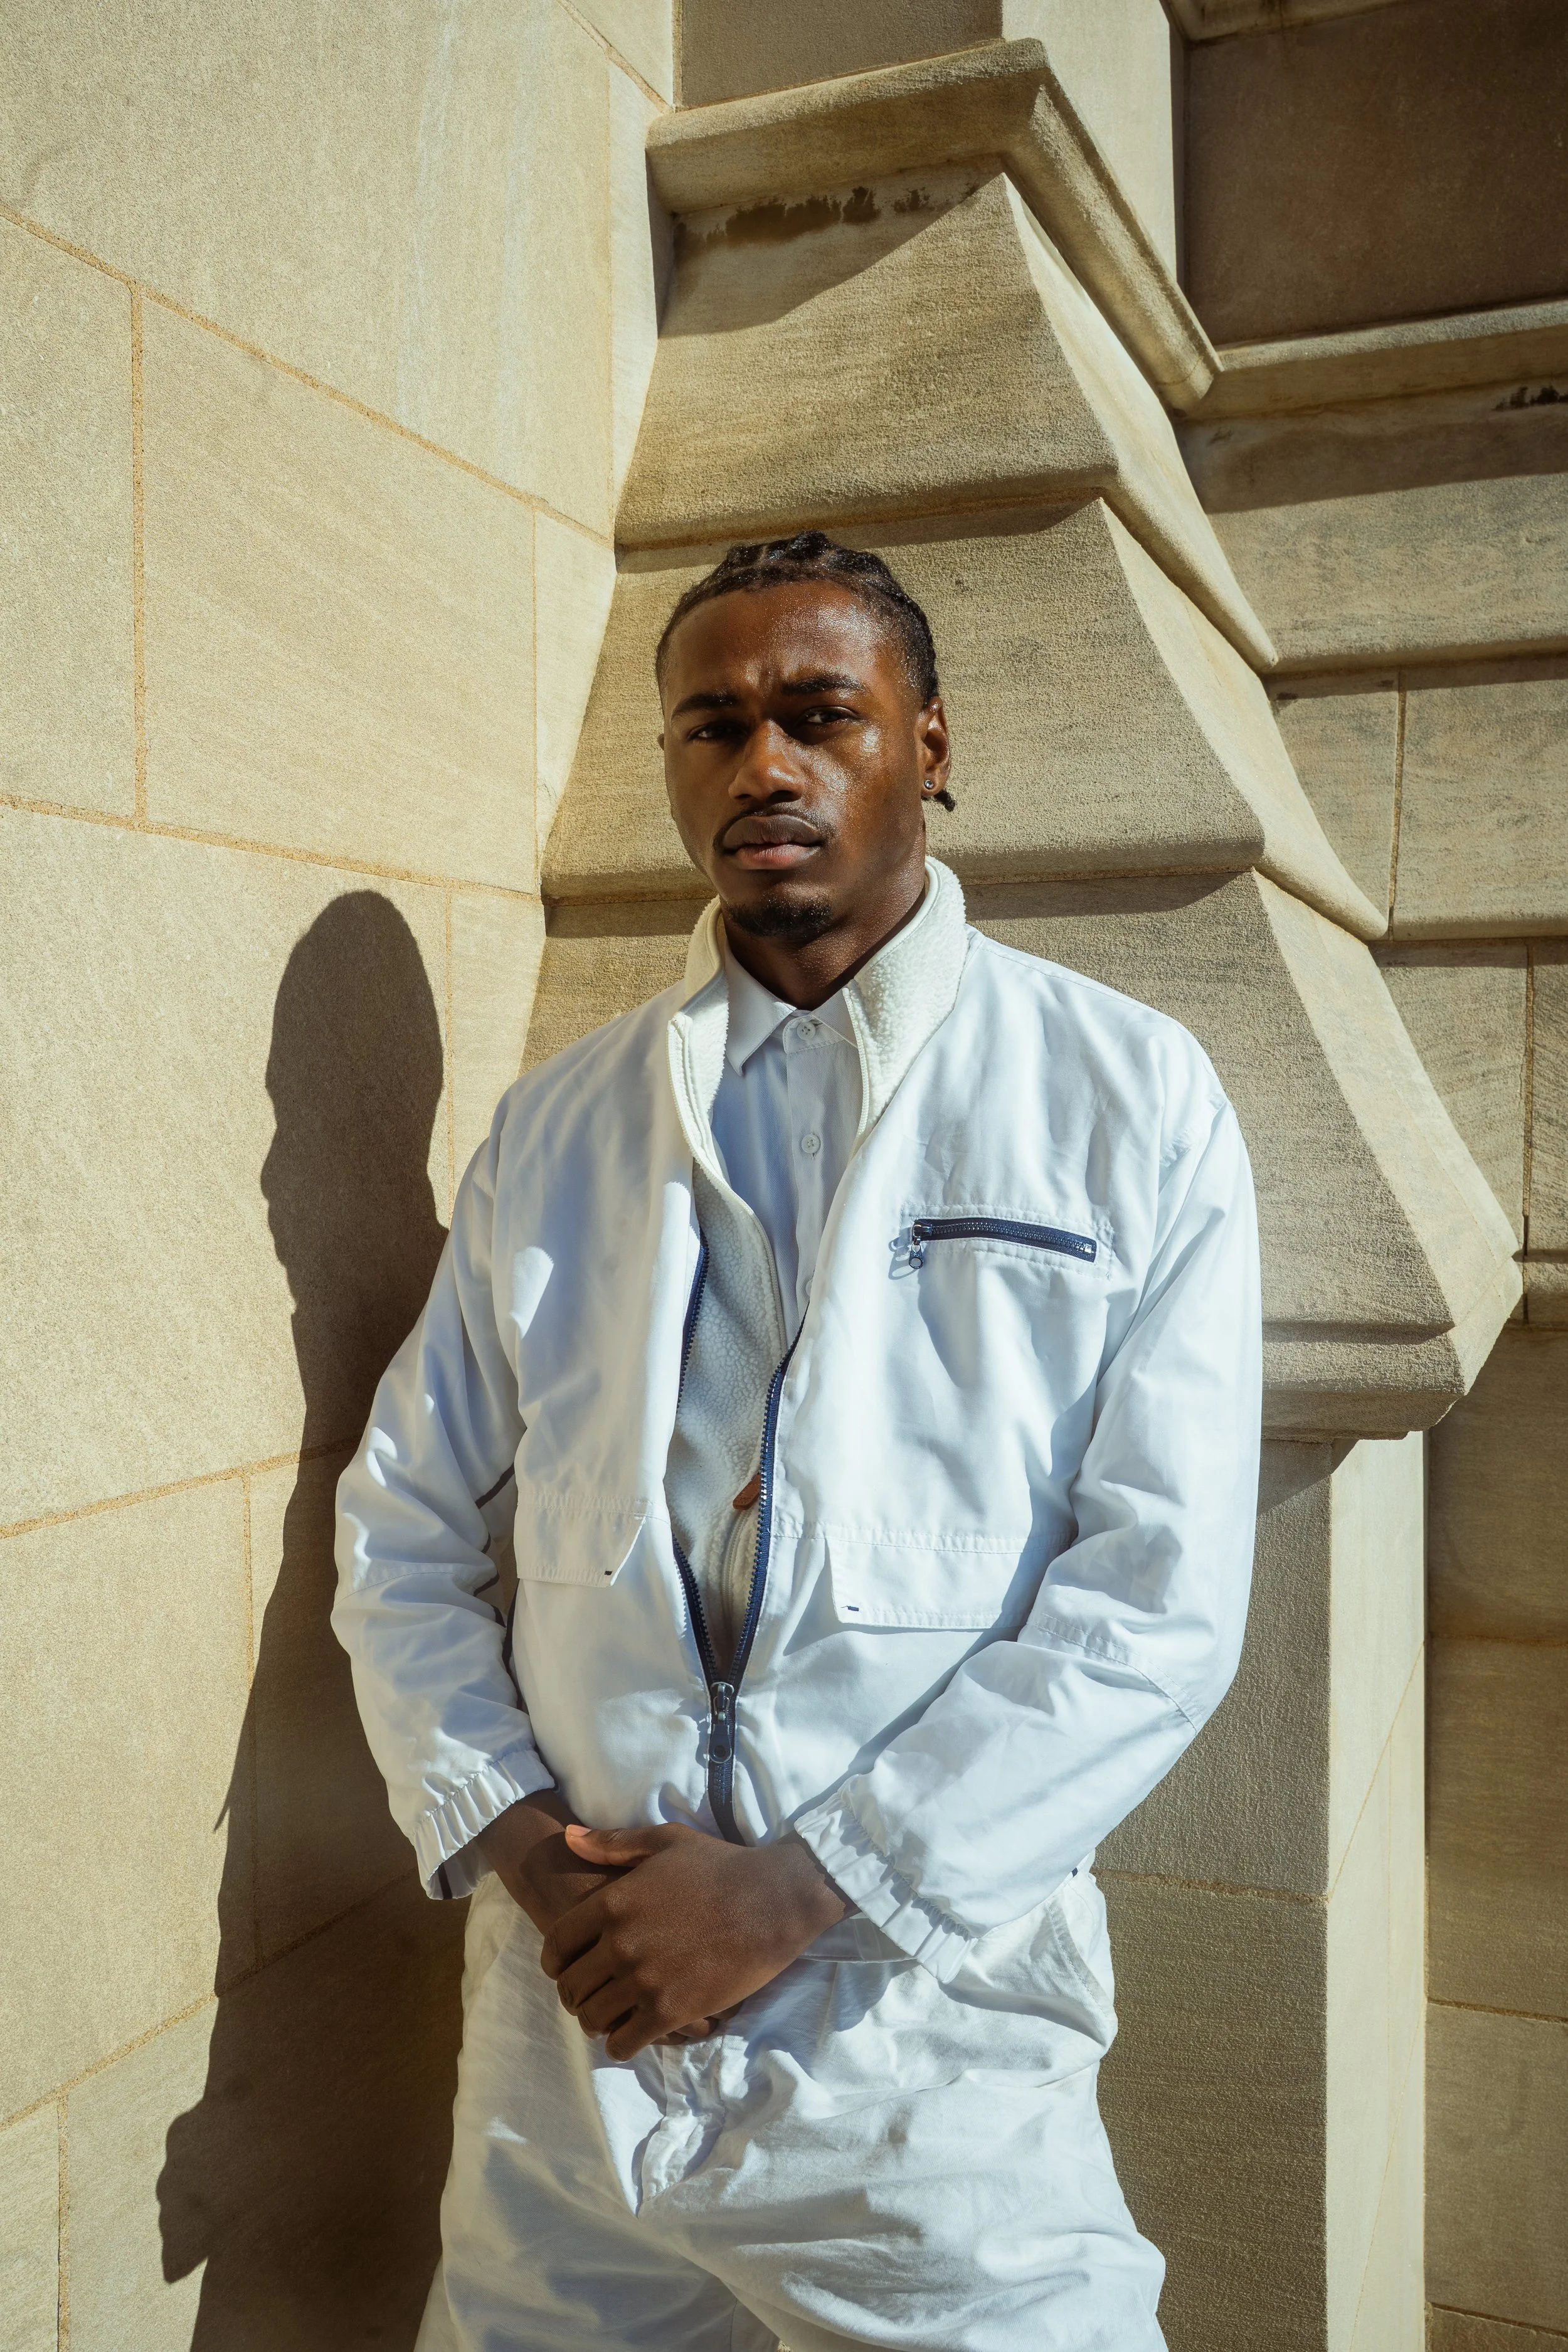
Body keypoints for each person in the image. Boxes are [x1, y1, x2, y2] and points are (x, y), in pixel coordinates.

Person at [333, 530, 1262, 2352]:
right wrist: (532, 1859)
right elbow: (401, 1535)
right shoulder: (561, 1127)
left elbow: (1155, 1599)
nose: (761, 766)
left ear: (925, 742)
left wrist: (797, 1893)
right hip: (572, 2050)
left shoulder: (1120, 1095)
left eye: (818, 714)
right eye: (711, 726)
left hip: (916, 2046)